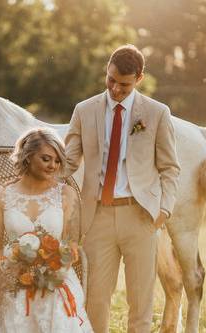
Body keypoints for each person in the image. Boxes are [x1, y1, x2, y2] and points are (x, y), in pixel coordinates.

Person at [63, 44, 181, 332]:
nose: (115, 89)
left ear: (139, 79)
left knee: (141, 303)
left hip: (140, 216)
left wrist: (163, 209)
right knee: (95, 301)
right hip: (96, 218)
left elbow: (170, 168)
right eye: (111, 80)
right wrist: (34, 178)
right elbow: (67, 163)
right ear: (107, 70)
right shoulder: (84, 110)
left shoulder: (156, 113)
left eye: (124, 85)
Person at [0, 128, 93, 332]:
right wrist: (13, 270)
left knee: (56, 301)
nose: (53, 165)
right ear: (27, 157)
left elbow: (72, 245)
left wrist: (50, 269)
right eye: (46, 159)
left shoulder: (66, 194)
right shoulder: (1, 196)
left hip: (56, 279)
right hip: (16, 279)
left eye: (57, 161)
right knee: (17, 300)